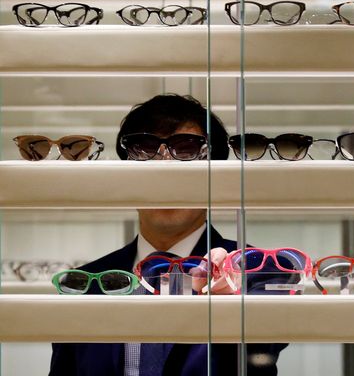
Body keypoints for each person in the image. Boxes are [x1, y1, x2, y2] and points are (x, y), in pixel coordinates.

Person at [49, 94, 287, 375]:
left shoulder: (257, 270)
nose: (167, 173)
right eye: (146, 150)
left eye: (187, 150)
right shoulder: (84, 284)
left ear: (217, 176)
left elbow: (263, 351)